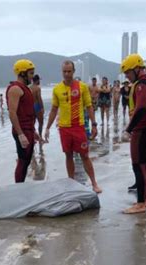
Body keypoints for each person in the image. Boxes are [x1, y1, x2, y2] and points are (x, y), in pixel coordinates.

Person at [44, 60, 102, 193]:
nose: (66, 74)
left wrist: (94, 124)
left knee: (85, 156)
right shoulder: (57, 89)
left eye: (69, 71)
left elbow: (89, 106)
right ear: (61, 72)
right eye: (64, 71)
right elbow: (53, 109)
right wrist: (47, 128)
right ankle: (71, 183)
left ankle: (94, 183)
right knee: (68, 156)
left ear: (73, 71)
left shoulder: (82, 87)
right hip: (64, 128)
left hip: (79, 127)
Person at [121, 54, 146, 214]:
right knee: (144, 165)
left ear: (137, 69)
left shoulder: (142, 84)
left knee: (138, 165)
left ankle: (140, 203)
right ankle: (144, 199)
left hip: (142, 129)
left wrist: (128, 129)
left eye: (128, 73)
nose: (127, 77)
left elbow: (141, 108)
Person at [6, 59, 42, 183]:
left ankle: (21, 185)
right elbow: (12, 113)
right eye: (30, 73)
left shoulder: (25, 88)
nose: (32, 77)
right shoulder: (15, 89)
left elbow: (28, 112)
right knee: (23, 160)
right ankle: (18, 187)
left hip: (28, 129)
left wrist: (34, 131)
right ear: (22, 73)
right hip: (21, 130)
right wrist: (20, 134)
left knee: (27, 160)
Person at [30, 74, 45, 138]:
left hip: (30, 106)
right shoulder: (37, 88)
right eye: (39, 80)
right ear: (37, 80)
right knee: (41, 122)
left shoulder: (28, 87)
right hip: (37, 106)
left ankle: (32, 136)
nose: (39, 82)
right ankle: (40, 137)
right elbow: (39, 98)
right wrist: (42, 108)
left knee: (32, 123)